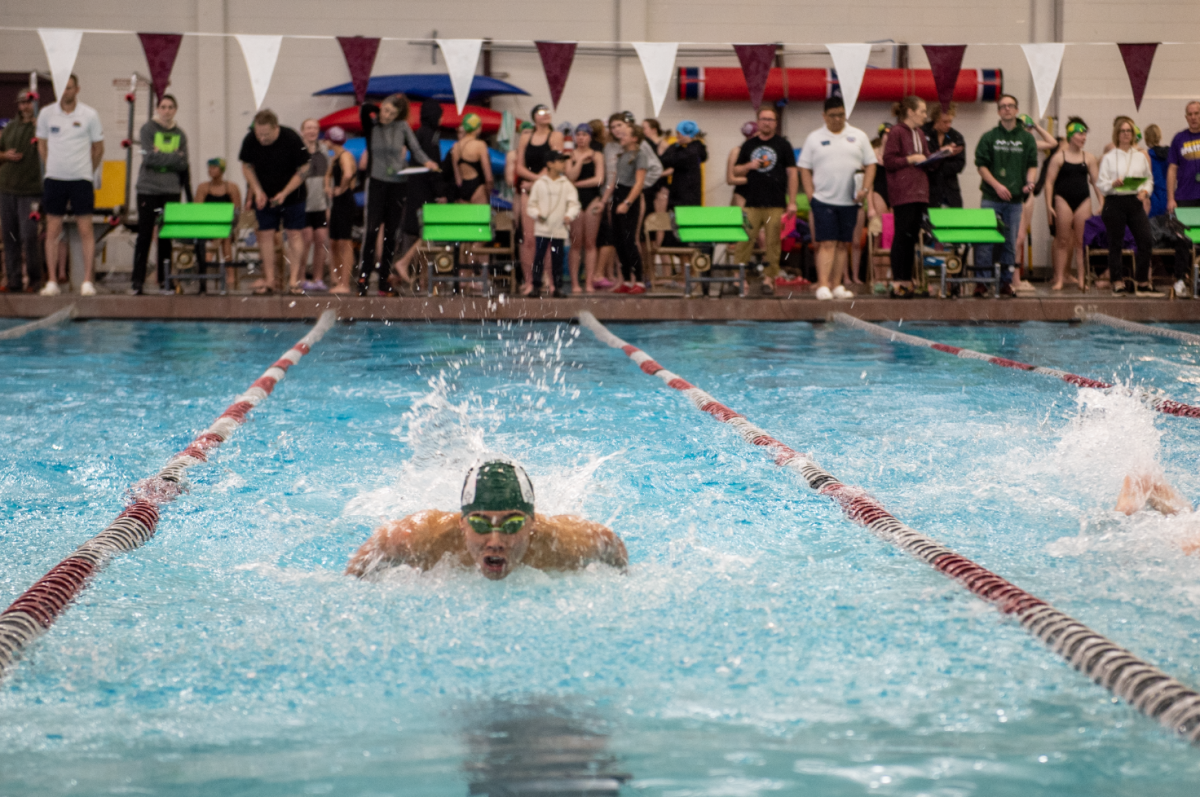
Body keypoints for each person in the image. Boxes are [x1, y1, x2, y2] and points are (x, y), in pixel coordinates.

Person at [345, 459, 628, 580]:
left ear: (533, 524)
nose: (495, 542)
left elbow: (612, 546)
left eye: (512, 524)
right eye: (480, 524)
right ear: (461, 522)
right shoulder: (422, 538)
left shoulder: (566, 544)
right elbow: (368, 557)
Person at [357, 93, 437, 296]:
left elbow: (416, 149)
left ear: (399, 116)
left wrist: (427, 162)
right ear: (381, 107)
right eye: (386, 110)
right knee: (372, 229)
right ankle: (364, 277)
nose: (387, 116)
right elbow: (365, 108)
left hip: (398, 184)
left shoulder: (402, 127)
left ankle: (384, 280)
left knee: (391, 234)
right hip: (377, 183)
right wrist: (379, 112)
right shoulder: (372, 125)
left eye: (392, 114)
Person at [799, 97, 877, 300]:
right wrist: (811, 196)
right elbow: (804, 168)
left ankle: (836, 284)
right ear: (824, 116)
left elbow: (871, 164)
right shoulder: (814, 138)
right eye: (833, 115)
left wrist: (866, 189)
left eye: (841, 115)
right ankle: (823, 284)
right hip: (823, 200)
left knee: (844, 243)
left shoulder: (858, 136)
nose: (837, 119)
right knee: (826, 243)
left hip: (850, 201)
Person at [36, 74, 103, 297]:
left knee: (86, 230)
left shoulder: (90, 115)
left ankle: (87, 281)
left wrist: (86, 170)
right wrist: (52, 167)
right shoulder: (46, 114)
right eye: (63, 88)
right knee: (52, 231)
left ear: (77, 89)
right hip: (54, 179)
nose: (66, 92)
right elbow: (42, 145)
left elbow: (98, 149)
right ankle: (53, 281)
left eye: (70, 88)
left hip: (81, 180)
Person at [239, 109, 310, 295]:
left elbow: (305, 166)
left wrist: (285, 192)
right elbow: (246, 166)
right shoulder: (251, 139)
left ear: (275, 127)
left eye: (266, 134)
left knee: (294, 234)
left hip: (293, 194)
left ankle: (294, 280)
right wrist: (257, 191)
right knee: (265, 235)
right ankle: (270, 280)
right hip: (265, 195)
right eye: (259, 134)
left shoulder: (291, 138)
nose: (262, 138)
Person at [974, 94, 1039, 297]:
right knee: (985, 240)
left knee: (1010, 241)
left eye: (1010, 105)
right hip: (991, 197)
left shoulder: (1027, 138)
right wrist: (997, 185)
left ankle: (1005, 282)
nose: (1007, 109)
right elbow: (981, 166)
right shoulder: (989, 137)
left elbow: (1032, 165)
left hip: (1015, 200)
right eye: (1003, 106)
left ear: (1016, 109)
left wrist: (1030, 182)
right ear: (998, 111)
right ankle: (982, 282)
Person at [732, 106, 799, 295]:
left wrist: (792, 201)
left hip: (775, 203)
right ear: (758, 121)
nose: (766, 123)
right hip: (751, 202)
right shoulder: (749, 145)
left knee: (772, 243)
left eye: (770, 120)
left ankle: (769, 279)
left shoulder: (783, 145)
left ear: (775, 124)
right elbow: (736, 171)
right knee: (743, 240)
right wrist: (749, 165)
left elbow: (792, 174)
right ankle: (740, 279)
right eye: (763, 119)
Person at [883, 97, 936, 298]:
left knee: (912, 237)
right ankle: (899, 281)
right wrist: (910, 159)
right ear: (911, 112)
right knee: (902, 236)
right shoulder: (897, 132)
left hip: (919, 191)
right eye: (922, 111)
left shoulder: (920, 133)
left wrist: (940, 156)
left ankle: (908, 280)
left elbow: (927, 158)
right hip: (903, 192)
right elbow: (888, 161)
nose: (925, 115)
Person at [1097, 116, 1155, 294]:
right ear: (1117, 134)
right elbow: (1101, 183)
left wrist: (1145, 192)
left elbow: (1149, 180)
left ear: (1133, 134)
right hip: (1114, 202)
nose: (1126, 134)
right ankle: (1117, 280)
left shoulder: (1140, 156)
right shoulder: (1108, 157)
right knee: (1116, 243)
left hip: (1134, 201)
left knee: (1146, 240)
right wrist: (1112, 184)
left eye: (1129, 131)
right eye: (1122, 131)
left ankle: (1142, 281)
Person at [1043, 118, 1099, 291]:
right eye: (1081, 134)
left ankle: (1082, 280)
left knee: (1082, 243)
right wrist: (1048, 205)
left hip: (1083, 200)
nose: (1084, 138)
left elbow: (1096, 182)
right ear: (1071, 135)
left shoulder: (1088, 157)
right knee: (1062, 241)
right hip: (1063, 200)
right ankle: (1059, 279)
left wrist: (1102, 202)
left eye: (1085, 135)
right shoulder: (1059, 157)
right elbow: (1049, 182)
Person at [516, 106, 565, 294]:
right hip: (529, 190)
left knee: (550, 239)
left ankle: (552, 283)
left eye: (548, 112)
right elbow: (519, 167)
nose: (546, 115)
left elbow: (555, 164)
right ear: (534, 117)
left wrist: (535, 182)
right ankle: (531, 282)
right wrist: (533, 183)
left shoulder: (556, 136)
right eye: (541, 112)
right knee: (529, 240)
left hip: (548, 192)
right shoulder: (525, 137)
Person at [0, 90, 42, 293]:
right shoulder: (10, 128)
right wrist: (4, 155)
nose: (25, 106)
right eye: (21, 103)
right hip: (7, 189)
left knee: (29, 235)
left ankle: (35, 279)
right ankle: (14, 280)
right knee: (10, 236)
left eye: (28, 102)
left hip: (31, 190)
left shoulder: (41, 126)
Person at [525, 151, 580, 298]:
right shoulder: (540, 184)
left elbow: (574, 203)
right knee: (539, 257)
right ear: (549, 164)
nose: (563, 164)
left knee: (558, 257)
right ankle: (536, 285)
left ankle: (558, 286)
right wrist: (537, 214)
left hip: (559, 229)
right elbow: (531, 205)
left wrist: (569, 215)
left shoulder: (566, 185)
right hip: (542, 229)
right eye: (560, 161)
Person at [606, 115, 649, 295]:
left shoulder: (640, 155)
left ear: (634, 138)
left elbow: (639, 183)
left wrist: (627, 202)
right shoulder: (622, 155)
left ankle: (639, 280)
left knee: (630, 240)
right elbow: (615, 180)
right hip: (618, 195)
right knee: (619, 241)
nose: (620, 137)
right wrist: (605, 200)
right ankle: (625, 280)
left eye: (624, 135)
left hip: (629, 197)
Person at [566, 122, 605, 294]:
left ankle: (589, 282)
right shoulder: (569, 155)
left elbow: (598, 180)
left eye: (584, 135)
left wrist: (577, 183)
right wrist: (580, 160)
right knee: (575, 244)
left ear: (590, 137)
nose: (581, 138)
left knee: (590, 244)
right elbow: (569, 176)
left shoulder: (597, 155)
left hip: (592, 200)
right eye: (578, 135)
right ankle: (575, 283)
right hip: (574, 201)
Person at [1167, 101, 1200, 296]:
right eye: (1190, 114)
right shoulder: (1179, 138)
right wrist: (1171, 198)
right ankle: (1180, 279)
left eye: (1197, 113)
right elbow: (1172, 169)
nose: (1194, 117)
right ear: (1186, 117)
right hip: (1185, 198)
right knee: (1182, 241)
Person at [194, 157, 241, 287]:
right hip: (207, 226)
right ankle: (230, 274)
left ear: (221, 170)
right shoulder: (203, 188)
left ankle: (209, 255)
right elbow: (197, 211)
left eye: (214, 167)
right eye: (209, 168)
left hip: (227, 226)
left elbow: (236, 211)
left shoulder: (231, 187)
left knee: (225, 234)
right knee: (223, 236)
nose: (210, 170)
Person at [323, 126, 357, 295]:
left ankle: (345, 282)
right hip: (338, 202)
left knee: (345, 242)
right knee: (334, 242)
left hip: (345, 201)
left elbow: (348, 174)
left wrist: (341, 189)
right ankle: (337, 280)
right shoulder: (335, 158)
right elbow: (327, 175)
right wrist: (328, 188)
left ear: (330, 140)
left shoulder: (345, 156)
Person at [297, 118, 329, 292]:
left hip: (320, 204)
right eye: (308, 128)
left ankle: (318, 278)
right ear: (302, 131)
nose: (312, 131)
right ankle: (301, 276)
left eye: (315, 128)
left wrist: (328, 204)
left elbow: (327, 178)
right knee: (306, 239)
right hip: (303, 204)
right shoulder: (297, 152)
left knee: (320, 239)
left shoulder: (323, 151)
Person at [921, 102, 966, 209]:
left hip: (950, 188)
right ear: (936, 119)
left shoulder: (956, 136)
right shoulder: (923, 133)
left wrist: (938, 164)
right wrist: (942, 154)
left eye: (950, 121)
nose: (948, 125)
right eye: (945, 122)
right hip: (929, 188)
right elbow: (924, 161)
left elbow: (960, 164)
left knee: (954, 220)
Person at [660, 120, 707, 209]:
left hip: (682, 195)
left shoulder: (688, 152)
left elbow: (666, 160)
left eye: (678, 133)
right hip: (691, 194)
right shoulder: (698, 147)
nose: (677, 136)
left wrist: (676, 145)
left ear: (685, 134)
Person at [452, 112, 493, 205]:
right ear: (477, 128)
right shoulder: (480, 145)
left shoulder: (455, 146)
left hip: (462, 188)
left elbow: (457, 178)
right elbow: (488, 177)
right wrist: (489, 191)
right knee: (480, 219)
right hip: (477, 188)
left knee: (465, 219)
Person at [726, 121, 757, 207]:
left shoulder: (762, 152)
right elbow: (730, 180)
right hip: (742, 194)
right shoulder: (736, 151)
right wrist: (753, 180)